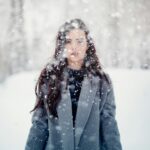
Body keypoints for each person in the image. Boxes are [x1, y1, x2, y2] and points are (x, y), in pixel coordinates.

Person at [25, 18, 122, 150]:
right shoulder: (50, 79)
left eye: (79, 41)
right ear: (62, 45)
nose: (74, 47)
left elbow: (108, 125)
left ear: (88, 44)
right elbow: (39, 126)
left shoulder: (102, 82)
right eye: (68, 41)